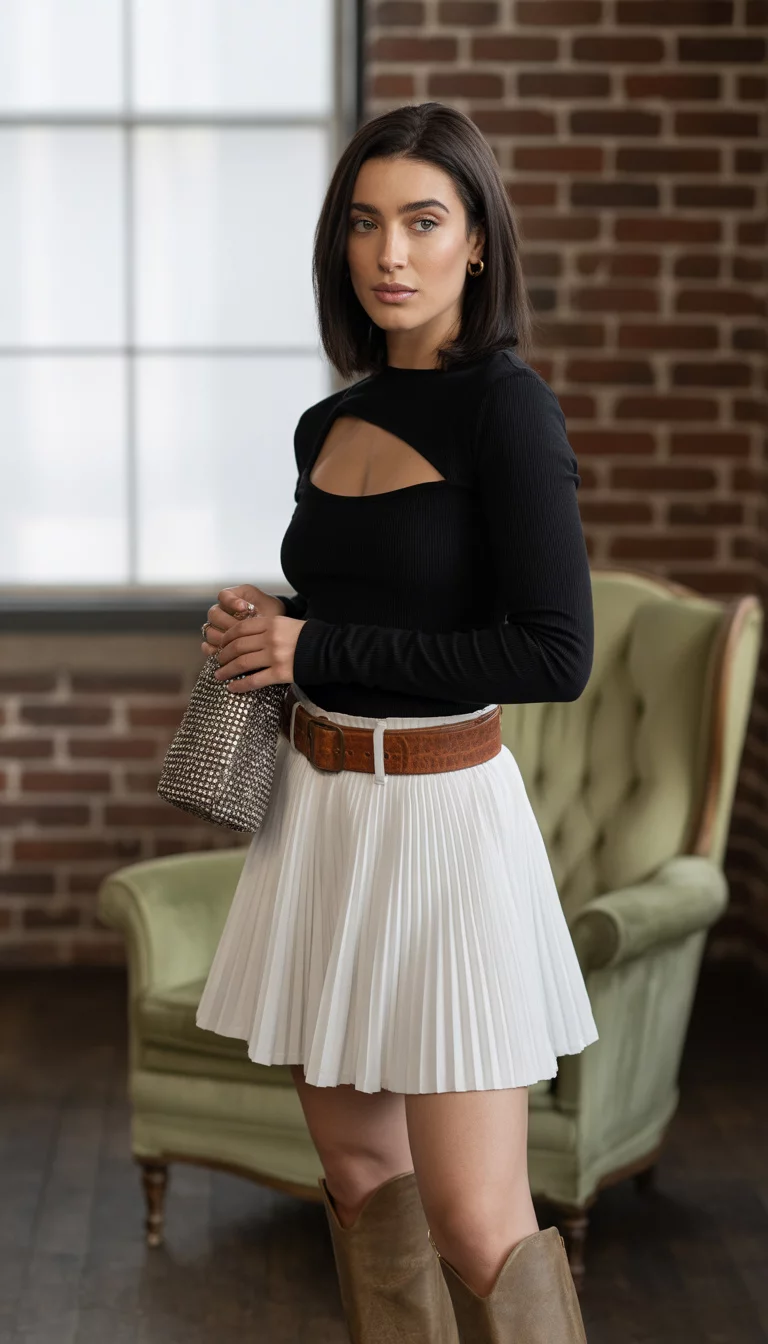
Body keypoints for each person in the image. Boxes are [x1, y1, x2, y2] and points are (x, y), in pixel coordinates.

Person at [194, 101, 596, 1343]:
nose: (391, 253)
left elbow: (554, 653)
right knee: (363, 1178)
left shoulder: (508, 411)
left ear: (476, 241)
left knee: (479, 1216)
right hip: (319, 822)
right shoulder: (330, 422)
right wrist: (275, 629)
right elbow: (384, 601)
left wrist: (318, 642)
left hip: (441, 825)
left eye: (424, 221)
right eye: (365, 224)